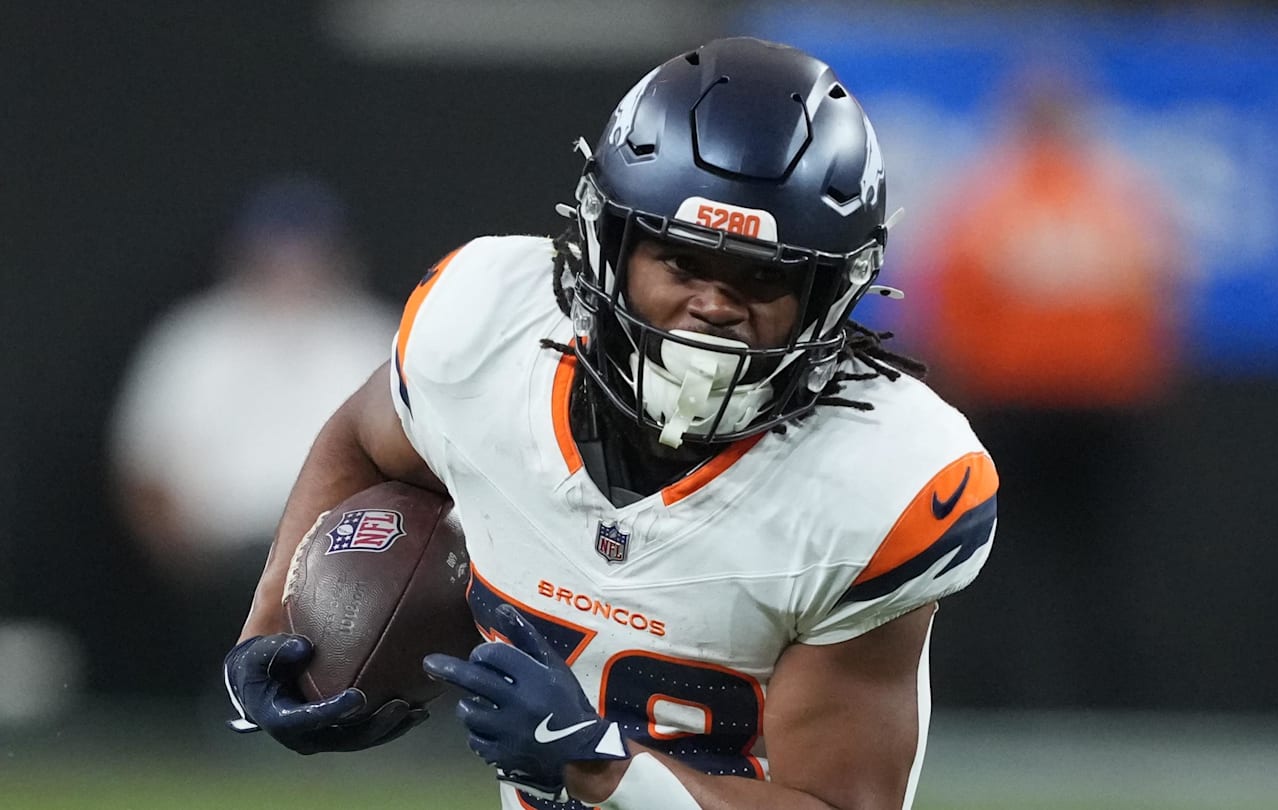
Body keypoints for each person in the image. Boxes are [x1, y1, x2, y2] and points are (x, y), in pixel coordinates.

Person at [224, 38, 999, 810]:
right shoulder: (485, 334)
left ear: (831, 292)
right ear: (609, 246)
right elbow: (362, 437)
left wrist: (604, 769)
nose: (717, 305)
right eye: (684, 261)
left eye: (766, 275)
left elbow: (839, 804)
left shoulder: (878, 479)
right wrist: (268, 625)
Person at [911, 64, 1184, 707]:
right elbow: (1157, 309)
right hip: (1106, 411)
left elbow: (947, 308)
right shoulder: (1123, 203)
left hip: (1014, 407)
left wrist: (961, 391)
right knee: (1106, 566)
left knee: (984, 560)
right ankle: (1117, 701)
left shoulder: (984, 201)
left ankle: (988, 698)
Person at [110, 175, 394, 696]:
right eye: (277, 250)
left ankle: (358, 711)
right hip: (225, 555)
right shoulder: (196, 337)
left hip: (348, 549)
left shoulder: (373, 335)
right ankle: (232, 706)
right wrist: (182, 559)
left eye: (305, 250)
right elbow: (146, 470)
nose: (291, 266)